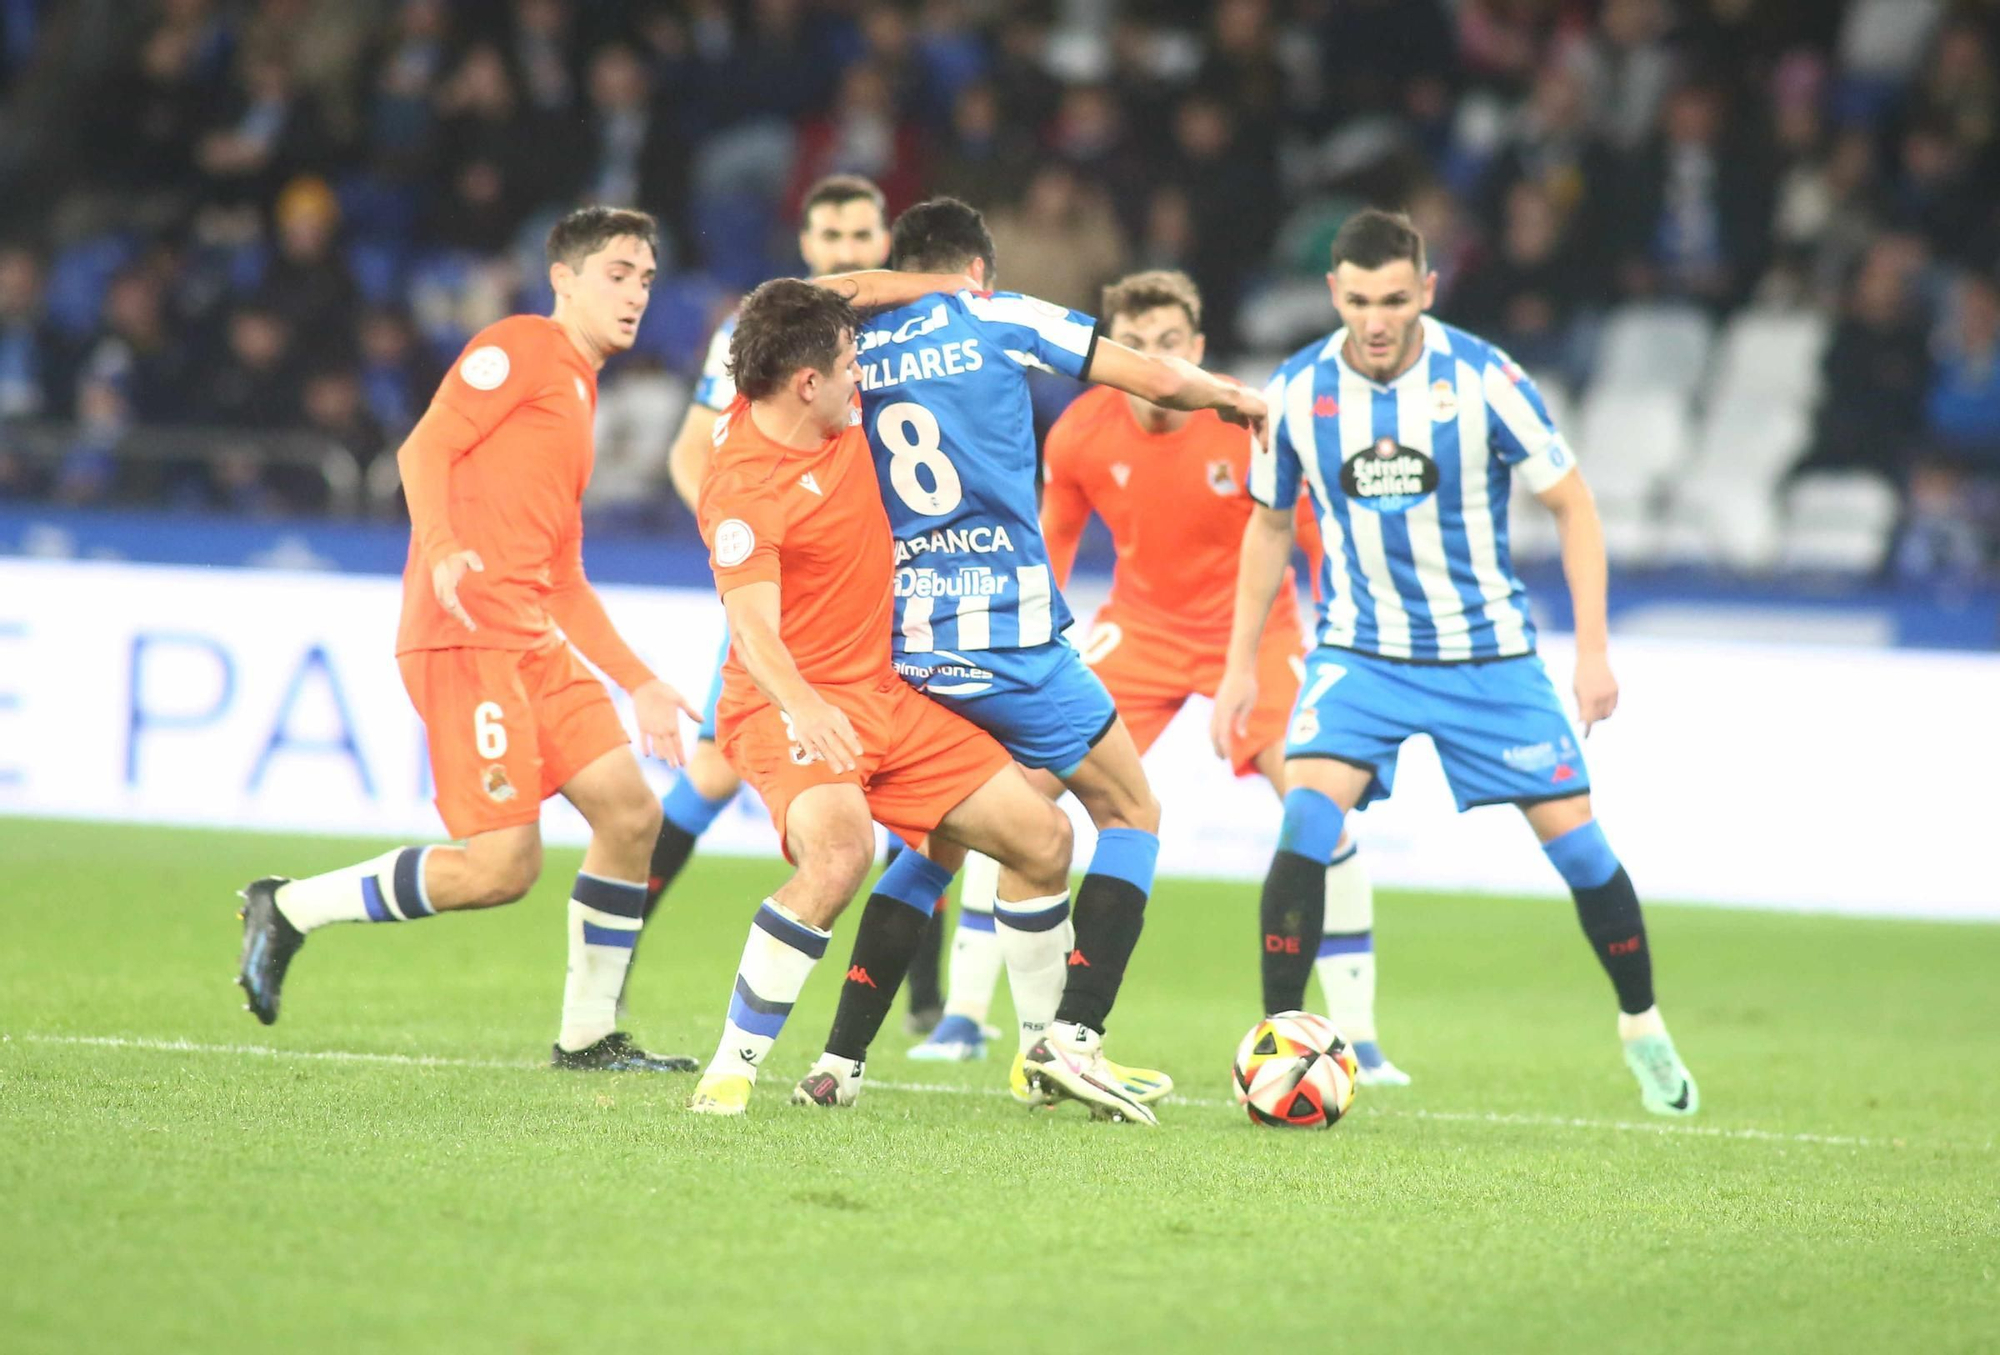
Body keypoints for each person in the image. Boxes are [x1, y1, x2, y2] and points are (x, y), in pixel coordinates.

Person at [1213, 208, 1699, 1116]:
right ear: (1334, 294)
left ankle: (1642, 1024)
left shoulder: (1486, 379)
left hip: (1490, 658)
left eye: (1395, 298)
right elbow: (1270, 524)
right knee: (1304, 829)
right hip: (1362, 653)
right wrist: (1239, 666)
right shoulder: (1294, 392)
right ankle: (1281, 1046)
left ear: (1427, 291)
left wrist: (1593, 650)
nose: (1376, 318)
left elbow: (1576, 507)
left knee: (1582, 848)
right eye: (1358, 300)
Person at [807, 198, 1266, 1111]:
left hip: (908, 639)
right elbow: (1153, 378)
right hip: (1011, 634)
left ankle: (838, 1065)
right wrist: (1235, 395)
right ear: (976, 267)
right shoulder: (997, 313)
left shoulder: (847, 351)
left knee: (940, 841)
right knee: (1131, 809)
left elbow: (798, 295)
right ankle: (1075, 1038)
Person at [903, 267, 1400, 1087]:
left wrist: (1337, 647)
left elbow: (1315, 542)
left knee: (1315, 801)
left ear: (1197, 350)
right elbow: (1046, 550)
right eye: (1132, 344)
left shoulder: (1243, 424)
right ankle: (963, 1015)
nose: (1152, 358)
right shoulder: (1080, 434)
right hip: (1139, 631)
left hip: (1257, 632)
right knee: (1014, 798)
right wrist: (1017, 660)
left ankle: (1361, 1036)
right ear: (1109, 351)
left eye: (1169, 343)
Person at [234, 207, 704, 1072]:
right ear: (563, 277)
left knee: (632, 815)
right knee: (500, 868)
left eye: (646, 276)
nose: (636, 292)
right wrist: (445, 550)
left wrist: (638, 681)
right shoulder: (523, 346)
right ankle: (289, 905)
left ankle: (589, 1036)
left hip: (531, 636)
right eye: (617, 273)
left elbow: (563, 575)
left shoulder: (578, 389)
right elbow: (423, 449)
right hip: (465, 638)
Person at [684, 279, 1153, 1123]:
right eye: (849, 363)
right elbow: (751, 630)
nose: (863, 375)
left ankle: (1050, 1054)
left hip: (884, 699)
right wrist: (804, 706)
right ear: (805, 383)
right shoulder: (744, 485)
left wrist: (948, 285)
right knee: (838, 856)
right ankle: (730, 1070)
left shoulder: (833, 412)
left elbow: (822, 292)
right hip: (785, 705)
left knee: (1042, 838)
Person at [629, 175, 951, 1025]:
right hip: (790, 601)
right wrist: (751, 549)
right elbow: (692, 454)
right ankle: (613, 956)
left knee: (922, 779)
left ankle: (923, 994)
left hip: (893, 597)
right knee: (709, 773)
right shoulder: (757, 339)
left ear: (883, 245)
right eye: (830, 238)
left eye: (859, 238)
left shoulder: (920, 331)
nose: (845, 252)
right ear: (808, 248)